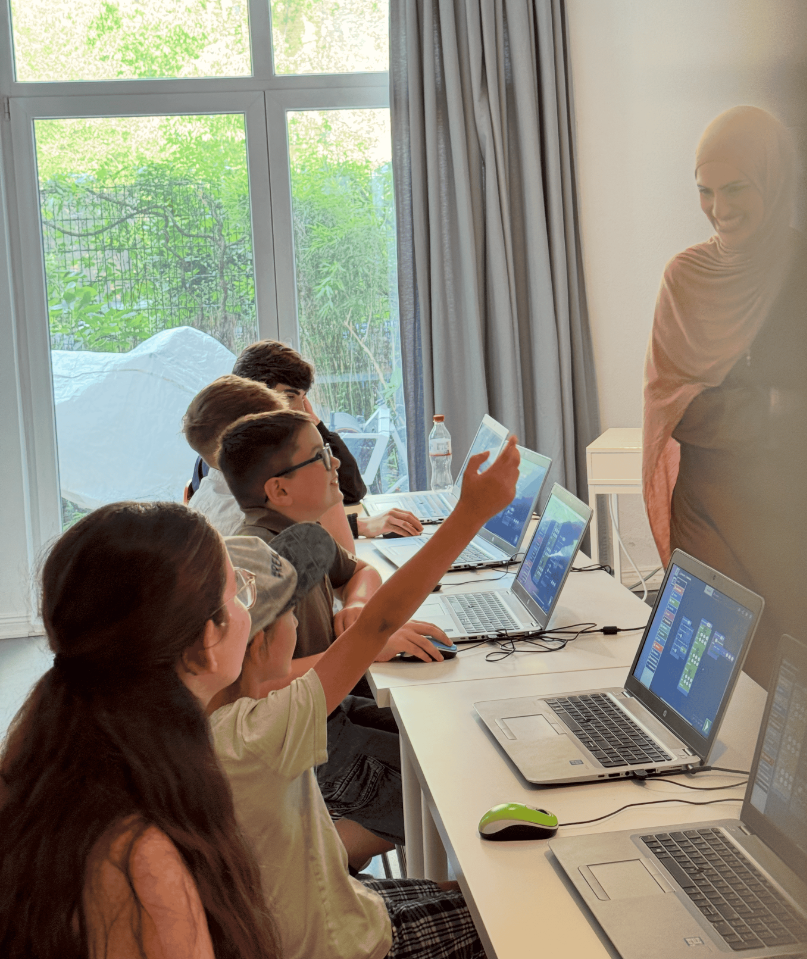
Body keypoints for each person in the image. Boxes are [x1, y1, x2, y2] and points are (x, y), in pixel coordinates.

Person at [208, 434, 520, 959]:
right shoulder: (257, 733)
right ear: (256, 645)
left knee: (469, 891)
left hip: (331, 912)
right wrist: (471, 513)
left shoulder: (208, 719)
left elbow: (368, 608)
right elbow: (378, 623)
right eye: (289, 613)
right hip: (346, 945)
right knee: (515, 912)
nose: (300, 618)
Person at [0, 501, 281, 959]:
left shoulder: (41, 765)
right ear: (207, 641)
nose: (245, 609)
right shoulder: (140, 863)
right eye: (237, 592)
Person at [217, 408, 450, 869]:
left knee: (437, 739)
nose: (336, 462)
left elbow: (361, 570)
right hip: (301, 737)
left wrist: (356, 608)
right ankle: (303, 870)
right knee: (440, 789)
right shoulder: (258, 566)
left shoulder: (308, 537)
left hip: (332, 711)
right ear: (279, 490)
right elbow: (254, 686)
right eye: (320, 456)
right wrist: (360, 648)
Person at [642, 105, 807, 684]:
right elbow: (675, 406)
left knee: (794, 682)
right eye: (705, 191)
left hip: (793, 518)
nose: (720, 208)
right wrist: (772, 409)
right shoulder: (684, 277)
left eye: (736, 188)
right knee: (707, 679)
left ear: (774, 181)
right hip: (708, 515)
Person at [183, 374, 357, 552]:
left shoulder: (208, 494)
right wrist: (324, 483)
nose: (334, 462)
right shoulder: (260, 531)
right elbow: (346, 560)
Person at [188, 339, 368, 509]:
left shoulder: (271, 445)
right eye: (289, 396)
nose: (301, 409)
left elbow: (351, 490)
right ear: (256, 396)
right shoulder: (234, 457)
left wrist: (316, 424)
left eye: (303, 398)